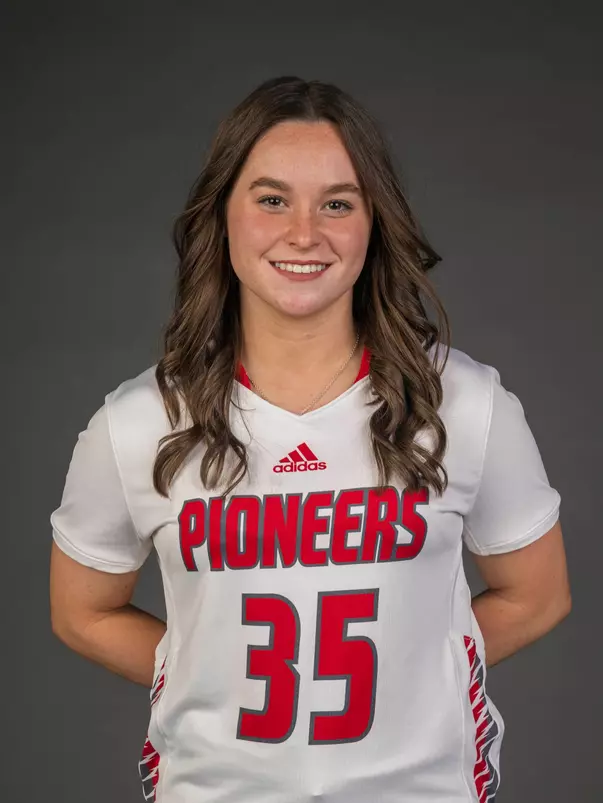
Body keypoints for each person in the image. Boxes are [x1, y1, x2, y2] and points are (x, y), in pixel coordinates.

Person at [49, 75, 571, 803]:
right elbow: (81, 609)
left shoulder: (467, 403)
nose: (303, 232)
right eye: (270, 200)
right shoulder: (138, 421)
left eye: (336, 203)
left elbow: (537, 597)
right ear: (222, 217)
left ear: (372, 222)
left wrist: (418, 665)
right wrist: (211, 667)